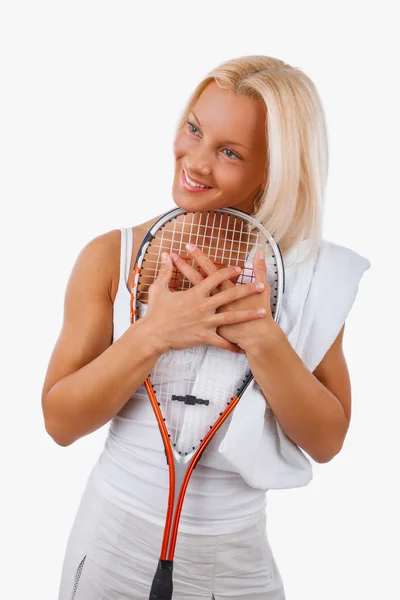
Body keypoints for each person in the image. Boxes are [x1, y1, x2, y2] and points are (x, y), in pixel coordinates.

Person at [42, 55, 370, 600]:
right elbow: (59, 422)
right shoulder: (110, 255)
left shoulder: (309, 276)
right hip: (110, 542)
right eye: (194, 128)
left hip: (234, 560)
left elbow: (328, 440)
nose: (194, 160)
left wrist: (263, 337)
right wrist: (156, 332)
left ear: (275, 168)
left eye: (229, 152)